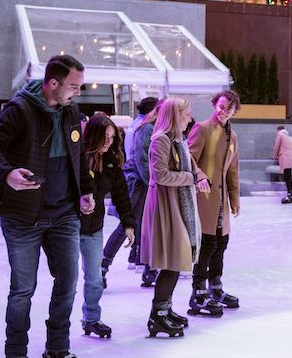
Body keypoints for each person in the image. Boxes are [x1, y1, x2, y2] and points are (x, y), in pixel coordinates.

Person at [0, 55, 96, 358]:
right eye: (73, 85)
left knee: (67, 282)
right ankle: (15, 354)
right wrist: (6, 173)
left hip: (64, 215)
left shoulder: (71, 111)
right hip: (23, 217)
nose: (78, 91)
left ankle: (57, 352)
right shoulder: (20, 110)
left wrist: (85, 191)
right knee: (22, 290)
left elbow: (79, 155)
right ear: (53, 83)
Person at [141, 97, 213, 335]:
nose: (189, 118)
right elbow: (160, 175)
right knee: (171, 261)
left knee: (175, 261)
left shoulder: (179, 141)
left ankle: (165, 308)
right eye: (186, 114)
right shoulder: (160, 141)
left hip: (178, 206)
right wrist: (191, 179)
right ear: (173, 116)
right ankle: (158, 315)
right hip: (165, 207)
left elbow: (193, 167)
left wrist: (200, 177)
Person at [79, 115, 136, 339]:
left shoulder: (111, 161)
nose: (108, 142)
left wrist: (128, 224)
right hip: (68, 225)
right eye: (105, 137)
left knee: (94, 278)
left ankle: (91, 319)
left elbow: (122, 195)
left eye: (112, 138)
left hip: (93, 227)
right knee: (64, 278)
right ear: (93, 135)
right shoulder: (77, 157)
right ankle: (58, 326)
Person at [187, 90, 241, 314]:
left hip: (222, 202)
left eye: (229, 108)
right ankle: (198, 292)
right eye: (221, 106)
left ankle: (215, 287)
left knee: (221, 243)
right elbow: (188, 157)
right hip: (204, 198)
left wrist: (235, 198)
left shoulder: (232, 136)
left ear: (235, 111)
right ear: (214, 105)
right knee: (207, 245)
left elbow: (233, 171)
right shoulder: (202, 128)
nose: (224, 111)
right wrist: (199, 175)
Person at [102, 99, 160, 289]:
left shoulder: (144, 126)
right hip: (140, 185)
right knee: (128, 225)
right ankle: (103, 265)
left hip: (141, 182)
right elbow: (142, 159)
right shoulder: (145, 128)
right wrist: (152, 183)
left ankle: (149, 268)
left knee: (145, 226)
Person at [273, 126, 292, 204]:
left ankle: (290, 194)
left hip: (285, 159)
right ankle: (291, 194)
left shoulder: (280, 135)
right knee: (288, 177)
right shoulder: (289, 137)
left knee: (287, 177)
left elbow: (276, 146)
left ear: (279, 130)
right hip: (290, 159)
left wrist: (275, 156)